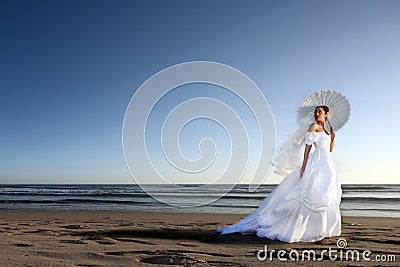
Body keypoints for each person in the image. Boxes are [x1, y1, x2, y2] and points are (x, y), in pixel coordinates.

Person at [216, 105, 342, 243]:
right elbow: (308, 147)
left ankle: (324, 229)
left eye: (319, 112)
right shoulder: (313, 127)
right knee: (311, 192)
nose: (316, 113)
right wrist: (304, 165)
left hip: (328, 164)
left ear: (326, 115)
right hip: (316, 162)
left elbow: (329, 150)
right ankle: (309, 229)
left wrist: (333, 138)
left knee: (326, 193)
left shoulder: (327, 131)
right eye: (315, 111)